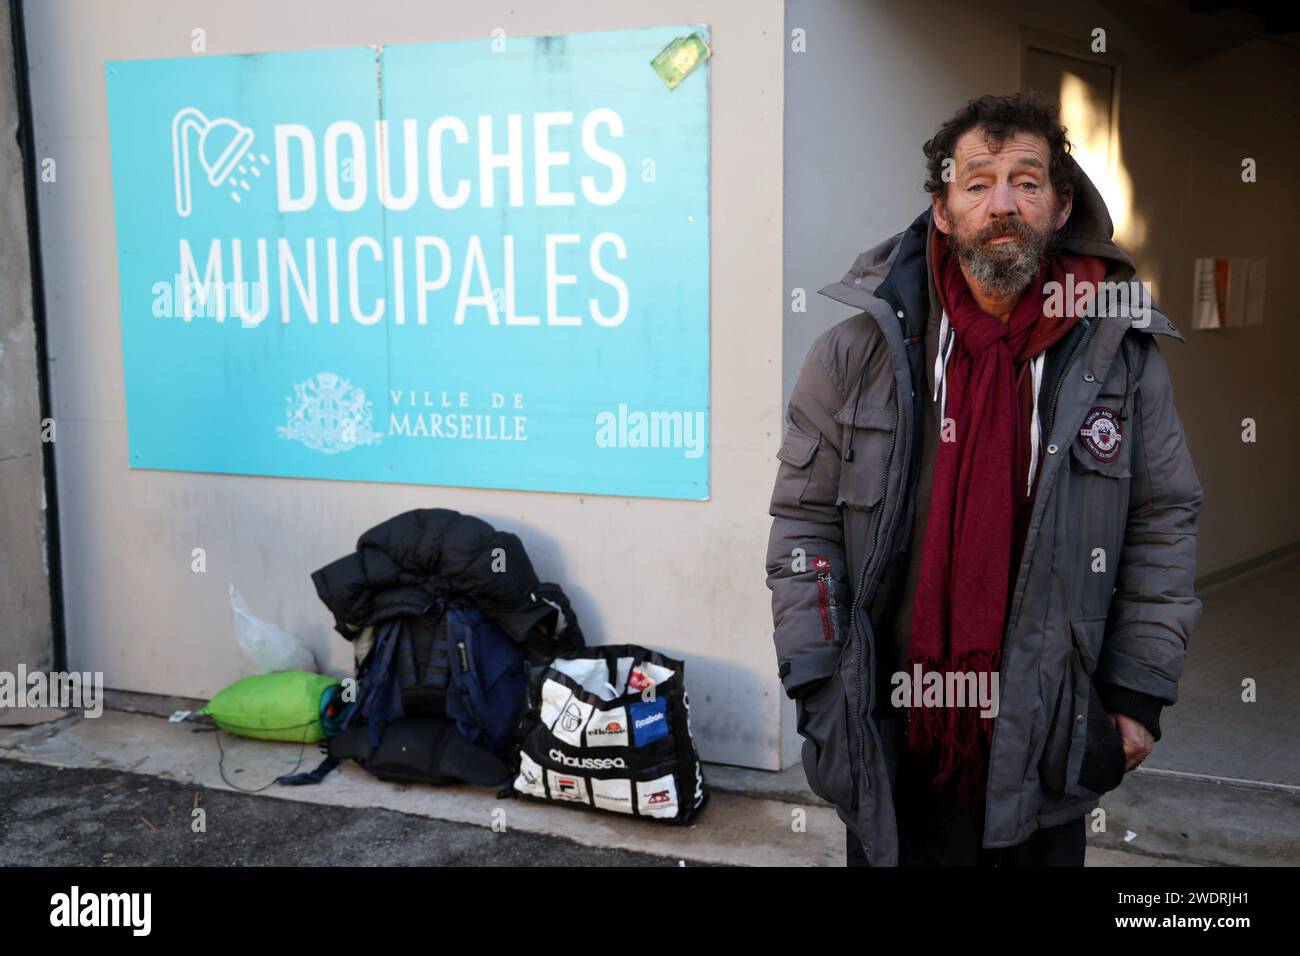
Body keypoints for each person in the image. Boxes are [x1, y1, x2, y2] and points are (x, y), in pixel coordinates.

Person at [765, 92, 1203, 867]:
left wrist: (1135, 700)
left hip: (1049, 728)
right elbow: (804, 528)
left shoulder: (1120, 361)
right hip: (889, 722)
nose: (1002, 203)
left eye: (1027, 182)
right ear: (942, 209)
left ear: (1061, 206)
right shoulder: (856, 354)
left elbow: (1161, 523)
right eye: (977, 183)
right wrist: (819, 682)